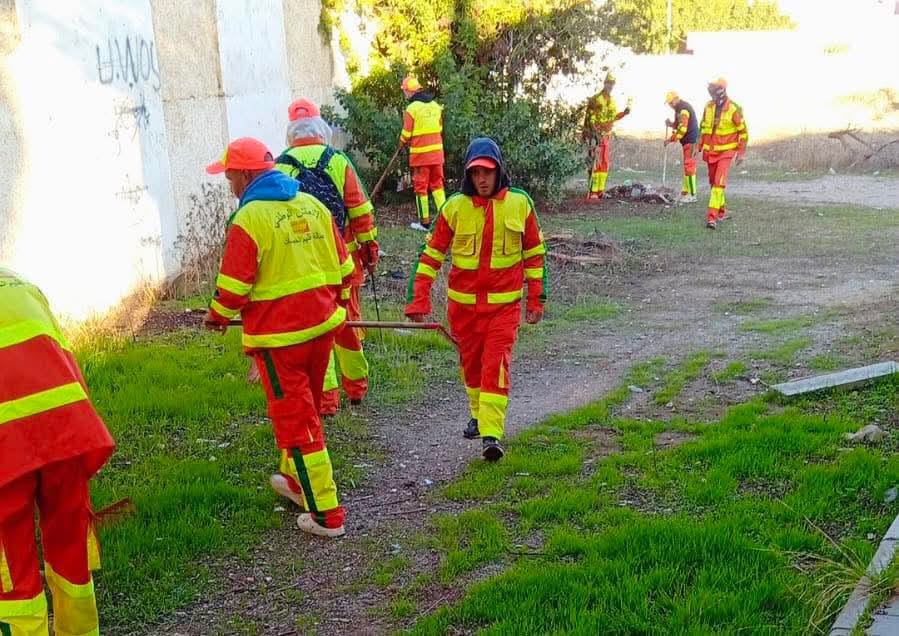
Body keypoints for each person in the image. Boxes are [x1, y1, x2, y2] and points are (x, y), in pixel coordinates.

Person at [204, 137, 354, 538]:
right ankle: (294, 481)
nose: (230, 186)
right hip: (321, 330)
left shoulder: (249, 218)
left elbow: (234, 287)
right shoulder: (313, 205)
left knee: (298, 422)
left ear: (246, 175)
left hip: (279, 340)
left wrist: (217, 316)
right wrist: (332, 306)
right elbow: (345, 270)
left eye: (230, 178)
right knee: (303, 410)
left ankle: (327, 514)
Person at [405, 138, 547, 462]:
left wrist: (536, 300)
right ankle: (478, 414)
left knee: (495, 364)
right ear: (468, 174)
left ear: (499, 171)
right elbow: (430, 255)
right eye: (476, 173)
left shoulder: (520, 203)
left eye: (488, 172)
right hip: (463, 309)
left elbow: (535, 255)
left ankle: (491, 434)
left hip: (504, 308)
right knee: (471, 365)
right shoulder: (454, 207)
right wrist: (418, 300)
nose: (482, 179)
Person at [0, 268, 116, 635]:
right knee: (70, 553)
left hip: (8, 445)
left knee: (11, 576)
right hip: (66, 429)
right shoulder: (19, 282)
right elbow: (63, 357)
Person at [275, 98, 379, 414]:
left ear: (291, 131)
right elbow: (359, 211)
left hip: (304, 262)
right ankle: (356, 387)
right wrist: (369, 250)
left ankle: (326, 399)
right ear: (321, 129)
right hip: (343, 260)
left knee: (317, 328)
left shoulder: (279, 167)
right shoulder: (338, 161)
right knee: (346, 322)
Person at [699, 77, 748, 229]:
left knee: (719, 183)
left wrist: (740, 152)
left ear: (721, 90)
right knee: (713, 183)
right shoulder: (708, 107)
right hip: (711, 152)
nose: (711, 94)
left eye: (713, 91)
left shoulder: (734, 108)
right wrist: (699, 146)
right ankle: (721, 212)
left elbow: (743, 132)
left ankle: (711, 217)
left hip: (726, 152)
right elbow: (703, 127)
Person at [399, 76, 446, 231]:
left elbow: (406, 133)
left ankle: (424, 223)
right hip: (437, 155)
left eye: (405, 92)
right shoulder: (436, 106)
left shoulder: (412, 109)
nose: (405, 94)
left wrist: (401, 142)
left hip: (421, 156)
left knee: (421, 188)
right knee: (437, 186)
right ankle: (444, 218)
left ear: (408, 91)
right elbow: (439, 128)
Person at [583, 73, 631, 199]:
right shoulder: (596, 99)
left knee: (604, 162)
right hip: (596, 135)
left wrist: (624, 113)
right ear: (604, 83)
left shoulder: (612, 101)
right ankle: (593, 191)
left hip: (606, 136)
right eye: (609, 83)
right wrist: (594, 133)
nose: (610, 86)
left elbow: (613, 118)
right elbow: (591, 119)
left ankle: (600, 191)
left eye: (612, 84)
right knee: (595, 162)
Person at [664, 90, 699, 203]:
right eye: (669, 103)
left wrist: (670, 140)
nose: (670, 105)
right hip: (686, 142)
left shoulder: (684, 109)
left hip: (691, 141)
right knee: (687, 167)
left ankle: (692, 195)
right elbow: (678, 125)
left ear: (676, 99)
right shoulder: (678, 110)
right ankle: (685, 192)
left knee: (689, 167)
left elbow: (683, 129)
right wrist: (671, 124)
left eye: (671, 102)